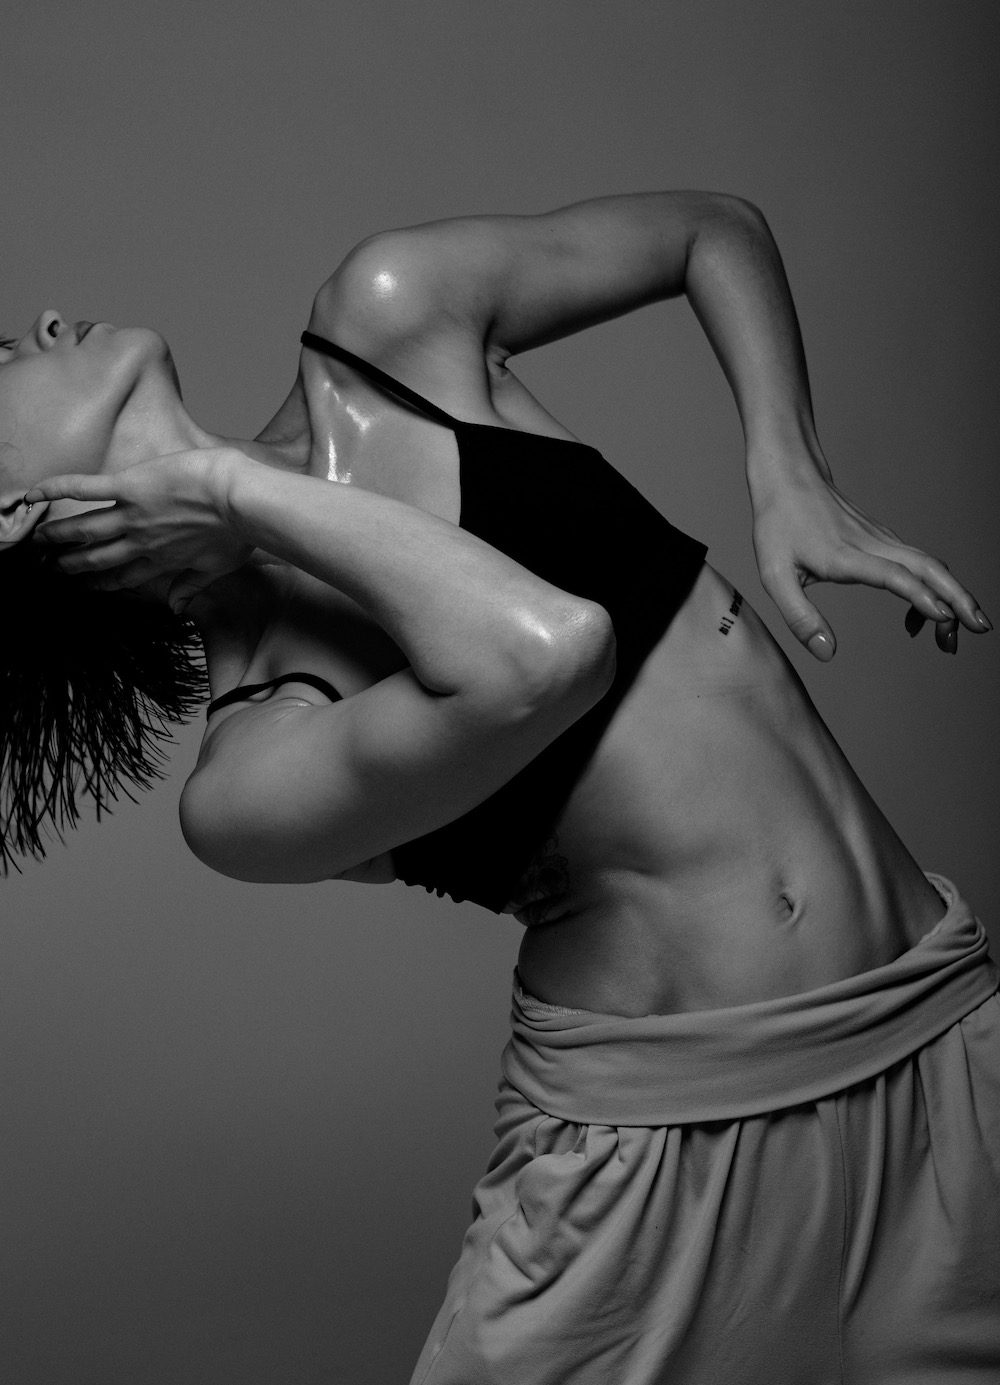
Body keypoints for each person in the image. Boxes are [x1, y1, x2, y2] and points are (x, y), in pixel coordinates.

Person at [3, 192, 997, 1382]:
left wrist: (791, 474)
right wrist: (231, 492)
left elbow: (710, 232)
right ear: (10, 513)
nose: (41, 321)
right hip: (651, 1171)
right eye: (0, 358)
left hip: (940, 1028)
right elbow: (549, 653)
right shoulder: (249, 776)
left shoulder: (392, 325)